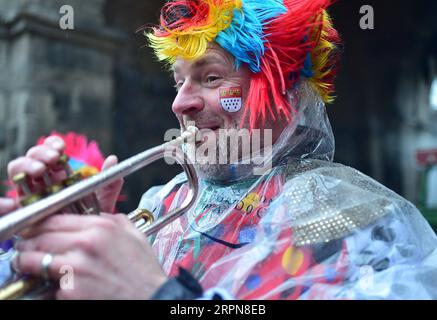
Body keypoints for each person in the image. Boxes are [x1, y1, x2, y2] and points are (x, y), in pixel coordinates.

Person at [1, 0, 437, 299]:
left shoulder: (363, 217)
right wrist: (63, 249)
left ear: (286, 91)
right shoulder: (163, 203)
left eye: (211, 78)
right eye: (179, 81)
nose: (180, 103)